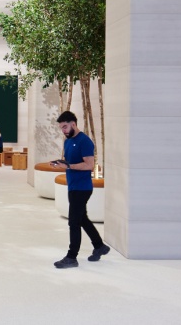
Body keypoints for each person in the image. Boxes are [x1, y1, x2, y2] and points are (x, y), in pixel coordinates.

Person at [51, 111, 107, 268]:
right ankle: (99, 246)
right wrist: (60, 163)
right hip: (73, 185)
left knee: (74, 222)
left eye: (65, 127)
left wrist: (68, 166)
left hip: (82, 188)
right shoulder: (68, 141)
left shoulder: (85, 141)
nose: (63, 130)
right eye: (61, 128)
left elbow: (89, 165)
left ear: (73, 124)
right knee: (82, 218)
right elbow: (71, 161)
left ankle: (72, 257)